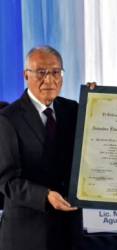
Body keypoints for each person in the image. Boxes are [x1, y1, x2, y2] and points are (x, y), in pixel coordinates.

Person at [0, 46, 93, 250]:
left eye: (55, 72)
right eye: (41, 72)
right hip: (27, 235)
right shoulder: (8, 119)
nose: (49, 80)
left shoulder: (73, 110)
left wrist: (97, 100)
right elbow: (7, 181)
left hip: (69, 231)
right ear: (26, 75)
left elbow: (98, 143)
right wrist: (45, 195)